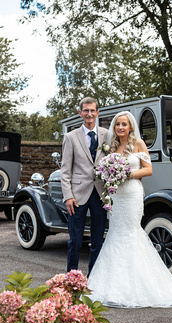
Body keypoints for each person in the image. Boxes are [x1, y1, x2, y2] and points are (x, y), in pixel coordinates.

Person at [88, 111, 172, 308]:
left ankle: (141, 285)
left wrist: (127, 173)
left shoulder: (139, 144)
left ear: (130, 127)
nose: (120, 127)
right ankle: (112, 284)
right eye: (117, 124)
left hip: (133, 194)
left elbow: (148, 169)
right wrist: (109, 175)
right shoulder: (113, 147)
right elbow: (107, 171)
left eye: (124, 124)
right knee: (115, 233)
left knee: (131, 233)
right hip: (117, 196)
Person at [60, 97, 110, 274]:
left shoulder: (107, 135)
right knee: (75, 241)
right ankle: (71, 279)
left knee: (97, 240)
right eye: (86, 111)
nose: (89, 114)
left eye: (92, 110)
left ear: (97, 113)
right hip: (77, 196)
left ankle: (94, 277)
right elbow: (65, 170)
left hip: (100, 194)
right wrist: (68, 196)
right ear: (80, 113)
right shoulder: (70, 137)